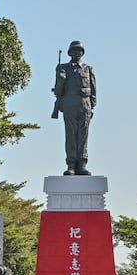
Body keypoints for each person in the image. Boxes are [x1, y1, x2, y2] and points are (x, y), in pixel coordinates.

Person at [53, 40, 96, 176]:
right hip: (70, 103)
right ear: (70, 53)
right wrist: (62, 80)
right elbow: (57, 91)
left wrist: (92, 106)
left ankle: (82, 164)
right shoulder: (62, 68)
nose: (76, 53)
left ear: (82, 53)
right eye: (74, 50)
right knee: (71, 134)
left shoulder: (88, 69)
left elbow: (93, 90)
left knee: (83, 135)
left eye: (79, 50)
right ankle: (71, 164)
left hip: (85, 103)